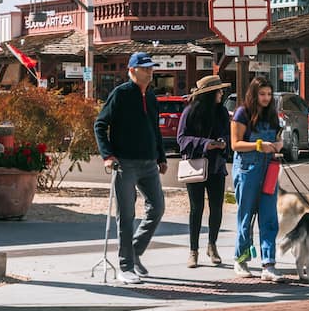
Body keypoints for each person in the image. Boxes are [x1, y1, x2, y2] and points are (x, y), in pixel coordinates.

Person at [93, 52, 167, 285]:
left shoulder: (152, 97)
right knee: (126, 215)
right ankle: (125, 266)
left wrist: (162, 157)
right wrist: (108, 156)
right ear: (132, 70)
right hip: (124, 163)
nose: (150, 71)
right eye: (145, 68)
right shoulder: (121, 94)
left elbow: (155, 130)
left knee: (157, 208)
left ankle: (134, 252)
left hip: (149, 163)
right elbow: (100, 124)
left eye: (151, 68)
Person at [230, 76, 286, 282]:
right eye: (262, 94)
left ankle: (268, 264)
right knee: (246, 216)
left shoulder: (272, 115)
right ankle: (241, 258)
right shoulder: (242, 113)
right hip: (247, 169)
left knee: (269, 216)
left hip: (269, 169)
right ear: (254, 94)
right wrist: (258, 145)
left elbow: (279, 138)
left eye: (269, 94)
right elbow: (235, 144)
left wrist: (279, 145)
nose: (266, 98)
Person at [177, 75, 231, 268]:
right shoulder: (189, 112)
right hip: (196, 167)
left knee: (216, 208)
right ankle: (193, 250)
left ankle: (212, 245)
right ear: (209, 94)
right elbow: (181, 139)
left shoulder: (222, 112)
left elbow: (228, 134)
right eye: (218, 91)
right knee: (196, 208)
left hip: (216, 166)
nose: (222, 93)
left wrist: (223, 142)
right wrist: (206, 144)